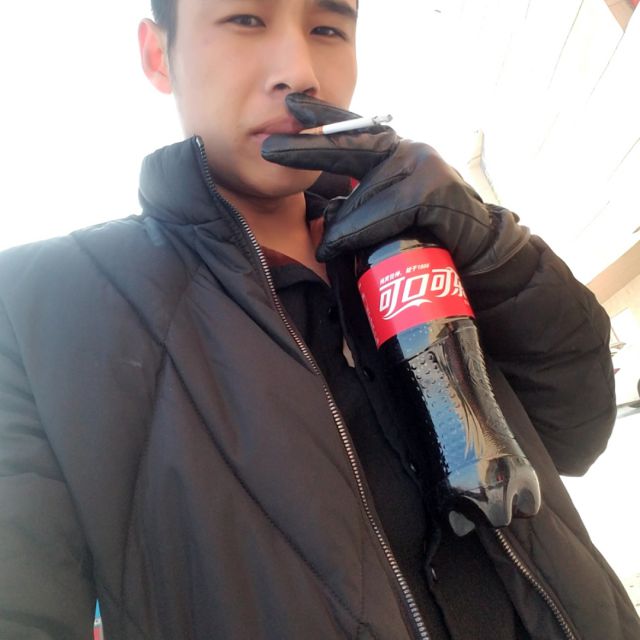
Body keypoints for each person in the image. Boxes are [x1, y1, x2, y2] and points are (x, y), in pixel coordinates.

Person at [0, 0, 638, 638]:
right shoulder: (42, 309)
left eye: (328, 28)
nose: (301, 72)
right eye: (246, 20)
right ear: (157, 55)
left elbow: (577, 431)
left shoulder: (422, 236)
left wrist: (494, 246)